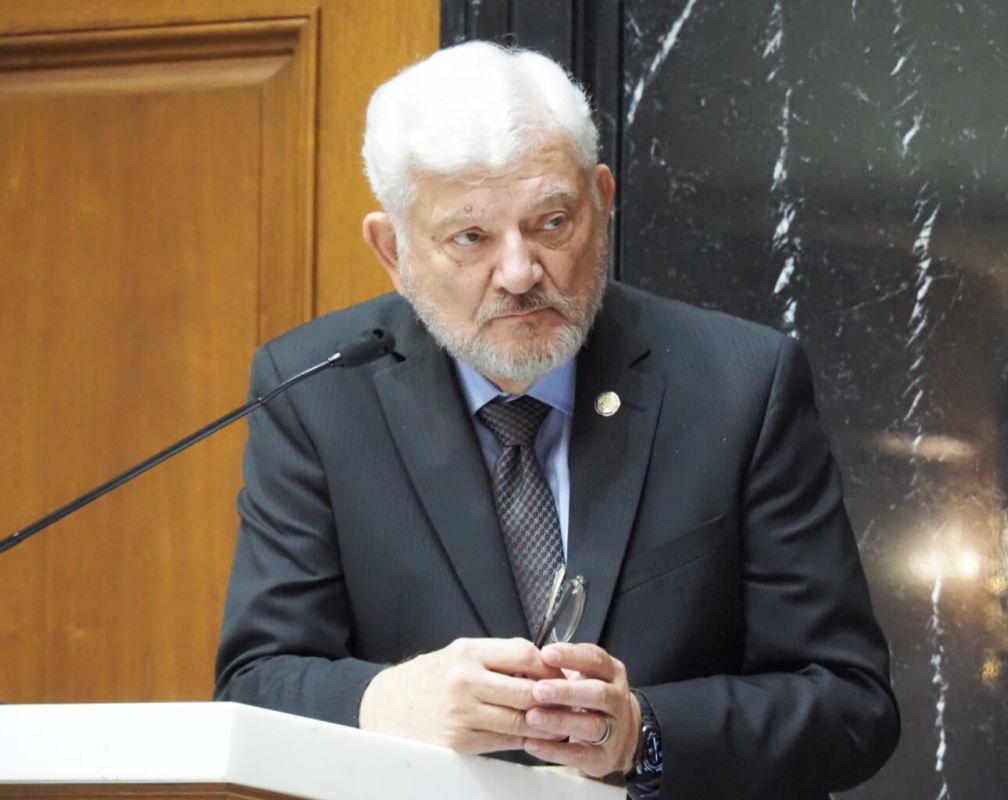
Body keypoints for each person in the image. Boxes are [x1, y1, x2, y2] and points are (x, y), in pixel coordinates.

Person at [214, 40, 899, 799]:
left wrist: (642, 732)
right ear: (393, 251)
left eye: (551, 222)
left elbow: (850, 703)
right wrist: (384, 701)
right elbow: (255, 682)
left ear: (601, 204)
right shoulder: (317, 391)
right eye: (470, 238)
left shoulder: (739, 383)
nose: (518, 273)